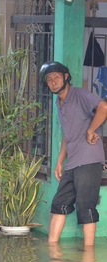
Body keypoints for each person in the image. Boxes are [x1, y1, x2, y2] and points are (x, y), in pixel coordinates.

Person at [40, 61, 107, 246]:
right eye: (49, 79)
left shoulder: (79, 94)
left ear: (66, 77)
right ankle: (52, 249)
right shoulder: (59, 102)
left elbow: (104, 107)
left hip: (89, 160)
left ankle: (89, 255)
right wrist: (60, 160)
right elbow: (67, 133)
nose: (53, 82)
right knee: (59, 204)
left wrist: (91, 130)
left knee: (86, 206)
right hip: (73, 161)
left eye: (57, 77)